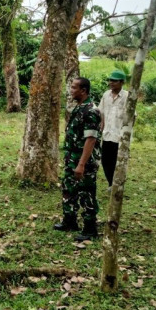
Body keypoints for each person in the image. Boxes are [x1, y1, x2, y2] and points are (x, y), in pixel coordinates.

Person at [54, 77, 102, 241]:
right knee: (69, 189)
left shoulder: (91, 111)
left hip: (85, 161)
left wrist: (81, 164)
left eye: (74, 87)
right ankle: (69, 221)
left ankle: (90, 228)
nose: (70, 90)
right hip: (72, 158)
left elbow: (91, 139)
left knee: (86, 193)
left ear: (83, 90)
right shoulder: (79, 107)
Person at [98, 70, 129, 191]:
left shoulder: (127, 96)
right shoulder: (106, 95)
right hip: (107, 133)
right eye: (110, 80)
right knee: (106, 160)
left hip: (120, 135)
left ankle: (117, 184)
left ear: (121, 82)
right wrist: (101, 128)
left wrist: (126, 134)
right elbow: (101, 112)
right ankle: (111, 183)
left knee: (118, 161)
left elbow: (132, 116)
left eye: (114, 81)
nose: (111, 83)